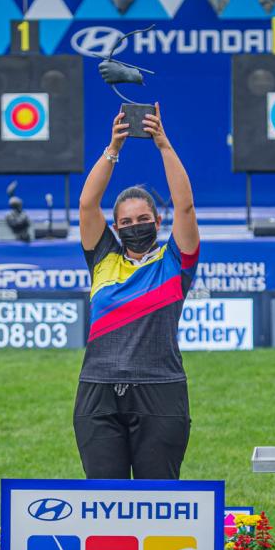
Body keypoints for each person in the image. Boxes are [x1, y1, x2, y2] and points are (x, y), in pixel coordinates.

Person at [74, 106, 200, 479]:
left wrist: (163, 144)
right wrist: (113, 148)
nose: (135, 226)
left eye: (143, 219)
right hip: (97, 393)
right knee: (104, 502)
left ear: (158, 222)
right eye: (126, 222)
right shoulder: (103, 258)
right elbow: (86, 205)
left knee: (158, 500)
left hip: (160, 392)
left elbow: (186, 207)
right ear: (115, 227)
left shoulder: (173, 263)